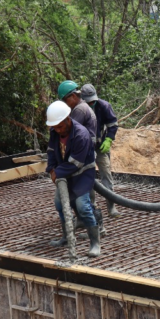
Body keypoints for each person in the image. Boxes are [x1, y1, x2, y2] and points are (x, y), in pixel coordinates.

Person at [45, 100, 100, 257]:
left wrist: (57, 172)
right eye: (55, 127)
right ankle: (67, 236)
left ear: (68, 119)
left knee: (82, 206)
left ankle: (95, 242)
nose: (58, 130)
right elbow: (51, 151)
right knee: (59, 203)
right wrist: (51, 169)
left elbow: (76, 163)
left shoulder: (81, 135)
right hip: (64, 174)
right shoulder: (55, 132)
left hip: (82, 174)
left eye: (61, 126)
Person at [58, 80, 102, 231]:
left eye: (65, 100)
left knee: (85, 195)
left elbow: (68, 131)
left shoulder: (79, 110)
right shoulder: (82, 107)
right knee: (82, 192)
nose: (65, 104)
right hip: (85, 153)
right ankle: (85, 222)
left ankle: (98, 227)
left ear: (73, 96)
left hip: (83, 156)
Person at [79, 83, 120, 218]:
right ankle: (92, 208)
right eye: (88, 102)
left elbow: (113, 124)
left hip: (101, 146)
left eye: (93, 101)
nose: (91, 104)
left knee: (106, 176)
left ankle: (111, 206)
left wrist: (108, 139)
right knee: (88, 178)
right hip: (85, 149)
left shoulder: (104, 106)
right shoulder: (78, 110)